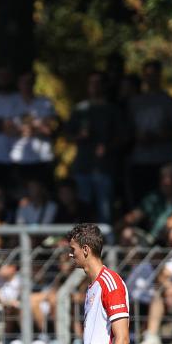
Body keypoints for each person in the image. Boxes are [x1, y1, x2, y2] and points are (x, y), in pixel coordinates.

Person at [66, 71, 124, 227]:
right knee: (83, 212)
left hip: (104, 168)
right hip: (83, 167)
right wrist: (79, 136)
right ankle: (83, 242)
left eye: (98, 83)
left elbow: (124, 136)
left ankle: (105, 242)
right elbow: (67, 135)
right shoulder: (80, 109)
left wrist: (108, 147)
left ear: (104, 86)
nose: (94, 86)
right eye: (92, 83)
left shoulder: (112, 110)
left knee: (104, 213)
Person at [127, 60, 172, 205]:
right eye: (147, 74)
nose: (150, 78)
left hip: (164, 160)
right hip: (141, 160)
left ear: (159, 76)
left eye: (154, 74)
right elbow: (126, 130)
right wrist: (137, 136)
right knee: (142, 201)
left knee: (166, 201)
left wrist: (162, 135)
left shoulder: (169, 101)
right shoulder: (134, 102)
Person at [10, 69, 58, 190]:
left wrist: (29, 128)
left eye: (30, 82)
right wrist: (39, 124)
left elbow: (51, 128)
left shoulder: (45, 102)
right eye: (23, 82)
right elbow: (7, 129)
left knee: (44, 194)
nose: (27, 85)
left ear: (34, 83)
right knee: (21, 195)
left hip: (43, 158)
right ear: (18, 83)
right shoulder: (11, 103)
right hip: (18, 158)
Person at [119, 164, 172, 245]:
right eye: (163, 178)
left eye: (170, 179)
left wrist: (168, 226)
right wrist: (119, 225)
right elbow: (135, 215)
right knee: (127, 233)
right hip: (150, 237)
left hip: (170, 237)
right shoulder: (154, 197)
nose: (166, 182)